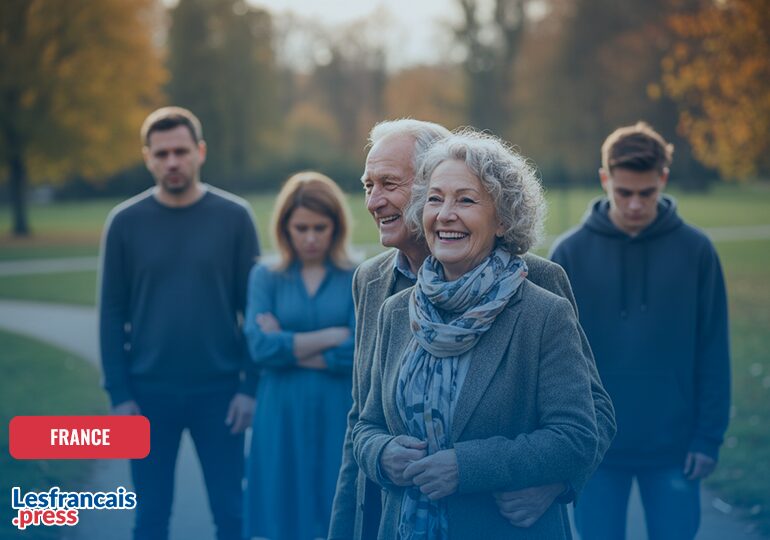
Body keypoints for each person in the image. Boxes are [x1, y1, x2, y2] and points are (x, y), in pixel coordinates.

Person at [329, 120, 615, 540]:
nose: (374, 200)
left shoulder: (536, 285)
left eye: (389, 183)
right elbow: (362, 420)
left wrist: (553, 485)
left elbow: (590, 418)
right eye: (368, 185)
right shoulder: (377, 289)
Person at [550, 121, 731, 540]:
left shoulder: (697, 251)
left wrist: (708, 438)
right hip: (594, 450)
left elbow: (713, 349)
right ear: (605, 179)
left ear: (663, 180)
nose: (634, 205)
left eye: (646, 193)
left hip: (675, 449)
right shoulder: (569, 253)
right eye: (624, 192)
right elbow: (554, 361)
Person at [98, 106, 260, 540]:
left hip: (221, 394)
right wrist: (119, 395)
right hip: (147, 395)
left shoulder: (235, 217)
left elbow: (255, 310)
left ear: (200, 152)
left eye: (181, 151)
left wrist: (249, 387)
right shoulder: (124, 223)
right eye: (162, 153)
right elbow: (111, 312)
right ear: (148, 157)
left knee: (232, 514)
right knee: (150, 516)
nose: (172, 161)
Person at [243, 172, 356, 540]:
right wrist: (329, 335)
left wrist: (288, 346)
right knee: (283, 508)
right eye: (300, 227)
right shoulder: (265, 276)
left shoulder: (356, 276)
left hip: (337, 410)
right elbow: (260, 348)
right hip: (281, 411)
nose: (310, 238)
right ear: (284, 227)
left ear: (336, 227)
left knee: (334, 506)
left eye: (319, 227)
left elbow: (359, 352)